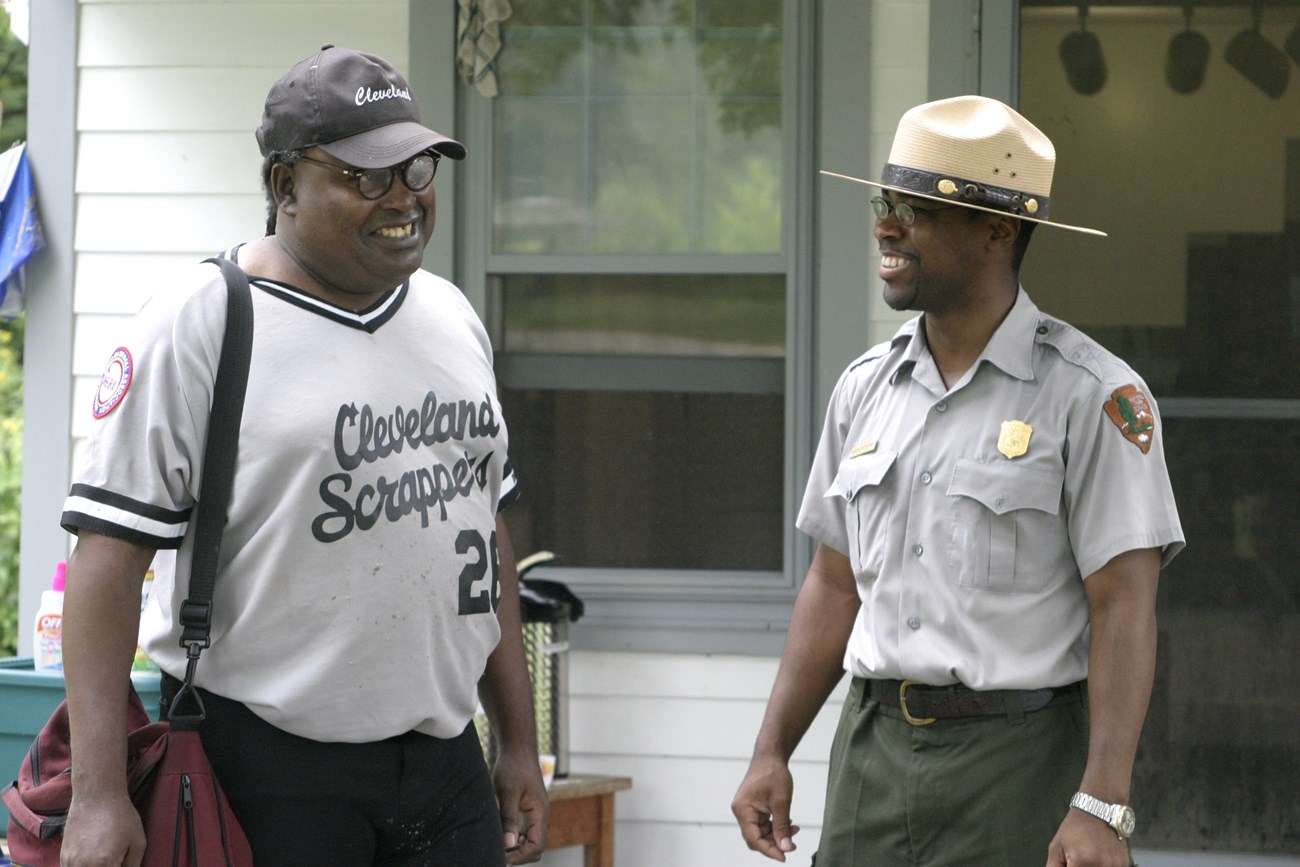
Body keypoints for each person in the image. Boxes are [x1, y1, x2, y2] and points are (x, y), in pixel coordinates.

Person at [58, 45, 548, 866]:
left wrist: (518, 743)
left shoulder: (451, 316)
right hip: (267, 764)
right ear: (285, 187)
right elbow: (108, 561)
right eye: (366, 176)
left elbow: (482, 528)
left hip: (443, 762)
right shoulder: (205, 321)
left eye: (417, 169)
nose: (402, 198)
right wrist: (98, 794)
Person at [731, 95, 1184, 867]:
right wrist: (771, 747)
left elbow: (1123, 604)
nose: (885, 224)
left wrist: (1103, 802)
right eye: (886, 202)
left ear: (997, 231)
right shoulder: (864, 386)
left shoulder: (1092, 395)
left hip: (1018, 761)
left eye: (916, 210)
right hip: (870, 754)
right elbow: (834, 583)